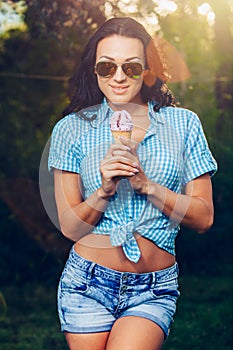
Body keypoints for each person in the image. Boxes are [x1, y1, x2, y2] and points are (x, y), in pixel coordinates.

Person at [48, 17, 217, 350]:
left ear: (148, 70)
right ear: (93, 71)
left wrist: (146, 185)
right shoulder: (70, 130)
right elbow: (70, 226)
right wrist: (105, 190)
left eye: (132, 67)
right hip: (87, 283)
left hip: (153, 288)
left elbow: (203, 217)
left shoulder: (183, 125)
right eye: (107, 67)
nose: (120, 77)